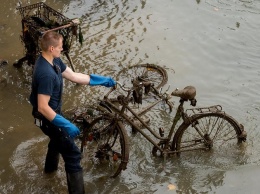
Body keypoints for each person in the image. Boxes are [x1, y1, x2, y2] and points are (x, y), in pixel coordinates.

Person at [29, 31, 116, 194]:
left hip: (53, 115)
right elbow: (42, 106)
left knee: (56, 142)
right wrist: (65, 124)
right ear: (52, 48)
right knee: (73, 156)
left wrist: (101, 80)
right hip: (48, 118)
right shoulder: (45, 73)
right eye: (60, 47)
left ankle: (49, 173)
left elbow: (74, 76)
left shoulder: (53, 60)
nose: (62, 50)